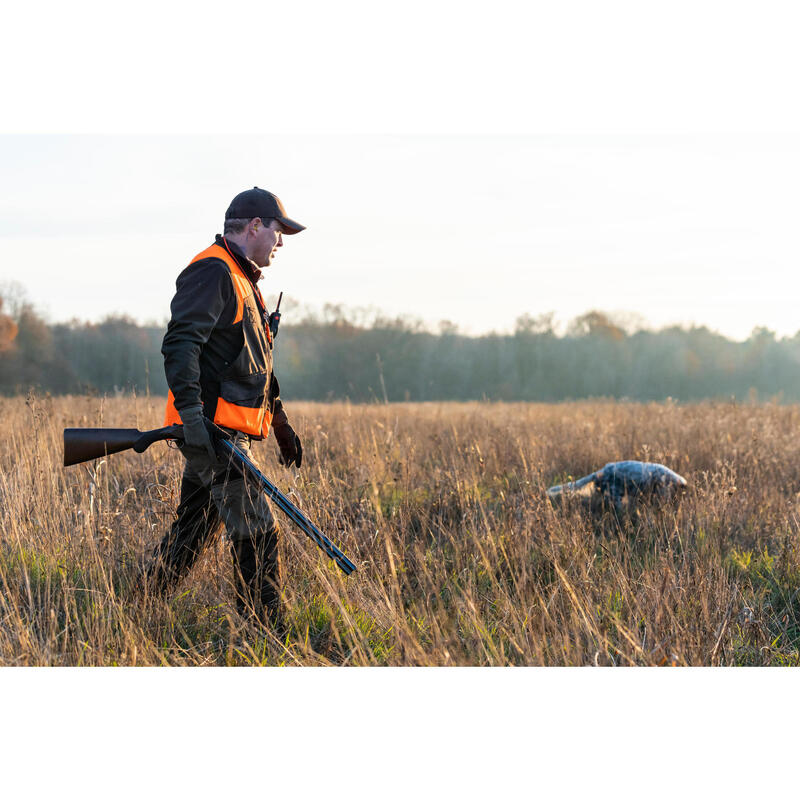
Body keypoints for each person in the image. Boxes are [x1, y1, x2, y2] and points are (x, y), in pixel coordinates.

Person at [145, 187, 305, 632]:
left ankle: (139, 602)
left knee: (193, 532)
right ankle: (266, 629)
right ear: (255, 226)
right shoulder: (213, 272)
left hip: (223, 433)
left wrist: (280, 422)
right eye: (278, 230)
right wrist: (193, 419)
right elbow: (180, 345)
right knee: (258, 527)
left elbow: (251, 365)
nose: (281, 241)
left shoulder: (242, 280)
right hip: (212, 433)